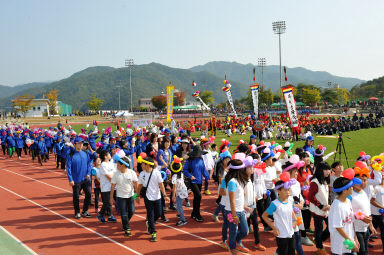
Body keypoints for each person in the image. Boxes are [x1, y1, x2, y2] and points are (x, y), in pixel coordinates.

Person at [262, 172, 298, 255]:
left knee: (292, 252)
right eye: (285, 190)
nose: (288, 192)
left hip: (291, 233)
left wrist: (295, 220)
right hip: (281, 234)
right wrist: (274, 228)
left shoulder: (290, 201)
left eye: (289, 190)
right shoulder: (274, 204)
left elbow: (291, 211)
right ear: (278, 191)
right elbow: (264, 216)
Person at [137, 156, 169, 242]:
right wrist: (137, 196)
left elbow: (161, 185)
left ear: (147, 165)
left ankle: (150, 224)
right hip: (148, 197)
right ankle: (153, 232)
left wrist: (165, 195)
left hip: (157, 196)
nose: (141, 165)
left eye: (143, 164)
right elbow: (139, 185)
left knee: (158, 213)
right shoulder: (142, 174)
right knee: (150, 214)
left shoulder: (156, 173)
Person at [329, 171, 361, 255]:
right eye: (350, 187)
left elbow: (351, 222)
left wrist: (355, 239)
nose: (352, 188)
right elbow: (338, 227)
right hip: (340, 244)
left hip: (349, 241)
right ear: (344, 191)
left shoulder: (348, 201)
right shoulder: (337, 206)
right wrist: (351, 241)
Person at [223, 159, 250, 255]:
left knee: (245, 231)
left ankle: (234, 241)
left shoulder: (240, 180)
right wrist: (234, 215)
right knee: (233, 230)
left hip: (241, 210)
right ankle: (232, 247)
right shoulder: (232, 182)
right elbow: (232, 200)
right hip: (231, 212)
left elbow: (240, 197)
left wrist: (244, 206)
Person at [110, 155, 138, 236]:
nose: (117, 165)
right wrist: (111, 197)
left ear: (124, 165)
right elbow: (112, 186)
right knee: (123, 213)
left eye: (119, 164)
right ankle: (127, 228)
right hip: (121, 196)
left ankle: (125, 221)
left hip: (131, 195)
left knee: (131, 211)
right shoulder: (116, 174)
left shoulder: (131, 173)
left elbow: (135, 183)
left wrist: (137, 194)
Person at [351, 165, 376, 255]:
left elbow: (367, 211)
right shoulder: (350, 195)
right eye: (359, 180)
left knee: (365, 251)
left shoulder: (364, 194)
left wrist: (371, 225)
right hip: (355, 229)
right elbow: (347, 213)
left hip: (365, 229)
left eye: (364, 180)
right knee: (362, 252)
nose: (362, 183)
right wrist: (360, 217)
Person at [66, 136, 92, 219]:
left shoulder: (85, 153)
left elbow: (88, 164)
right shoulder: (71, 155)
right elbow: (68, 168)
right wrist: (70, 179)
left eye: (82, 143)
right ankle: (77, 212)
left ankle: (85, 210)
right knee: (76, 197)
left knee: (88, 194)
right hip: (76, 180)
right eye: (79, 143)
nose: (81, 145)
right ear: (75, 144)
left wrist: (88, 173)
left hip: (86, 179)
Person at [243, 157, 266, 251]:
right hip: (244, 207)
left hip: (252, 205)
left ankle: (257, 242)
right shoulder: (242, 180)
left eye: (252, 167)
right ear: (244, 169)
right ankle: (234, 241)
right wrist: (244, 205)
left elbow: (252, 189)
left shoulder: (251, 179)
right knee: (242, 228)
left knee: (256, 224)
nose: (252, 169)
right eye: (249, 167)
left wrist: (255, 195)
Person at [308, 161, 331, 255]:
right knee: (318, 229)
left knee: (331, 227)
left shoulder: (325, 180)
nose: (328, 171)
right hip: (317, 211)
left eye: (328, 169)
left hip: (326, 210)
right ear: (320, 170)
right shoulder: (315, 182)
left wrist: (327, 204)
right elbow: (310, 197)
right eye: (326, 169)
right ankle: (319, 247)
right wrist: (321, 206)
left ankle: (318, 240)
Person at [183, 146, 210, 222]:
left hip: (199, 181)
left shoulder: (201, 160)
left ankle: (194, 213)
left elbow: (204, 170)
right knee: (198, 196)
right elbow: (185, 170)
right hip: (192, 182)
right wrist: (190, 176)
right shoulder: (189, 161)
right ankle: (197, 214)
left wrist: (207, 177)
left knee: (197, 198)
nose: (199, 155)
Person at [97, 150, 117, 223]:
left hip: (112, 186)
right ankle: (101, 214)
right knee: (106, 202)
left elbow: (115, 173)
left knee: (111, 201)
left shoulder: (111, 163)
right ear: (105, 156)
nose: (110, 155)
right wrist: (113, 176)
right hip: (105, 187)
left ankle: (110, 216)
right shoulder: (103, 165)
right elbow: (109, 177)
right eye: (108, 154)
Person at [170, 157, 188, 227]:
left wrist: (173, 196)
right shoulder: (181, 173)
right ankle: (180, 214)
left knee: (179, 206)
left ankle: (183, 220)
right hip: (183, 190)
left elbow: (174, 187)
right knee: (178, 204)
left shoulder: (174, 176)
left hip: (179, 192)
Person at [370, 170, 384, 253]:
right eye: (382, 175)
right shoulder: (376, 188)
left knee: (370, 230)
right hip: (377, 214)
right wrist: (382, 207)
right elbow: (372, 201)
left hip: (381, 214)